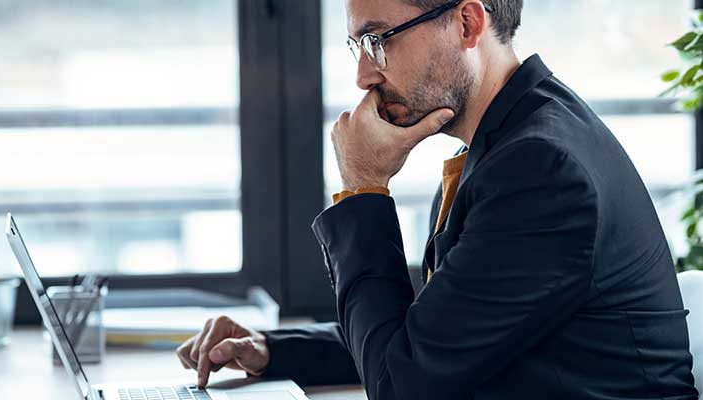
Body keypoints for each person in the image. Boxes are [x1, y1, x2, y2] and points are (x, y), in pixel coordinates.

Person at [177, 0, 700, 398]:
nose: (363, 76)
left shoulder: (541, 170)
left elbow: (401, 383)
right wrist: (274, 349)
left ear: (468, 23)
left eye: (378, 40)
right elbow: (433, 336)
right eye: (356, 47)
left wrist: (363, 186)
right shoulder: (505, 143)